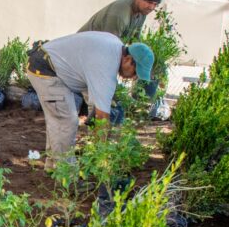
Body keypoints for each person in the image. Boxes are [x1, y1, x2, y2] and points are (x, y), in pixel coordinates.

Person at [25, 32, 154, 163]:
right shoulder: (106, 67)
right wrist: (101, 158)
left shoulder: (115, 46)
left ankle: (53, 166)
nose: (134, 78)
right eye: (135, 73)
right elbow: (102, 118)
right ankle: (66, 176)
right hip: (45, 69)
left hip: (49, 61)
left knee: (59, 120)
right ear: (127, 59)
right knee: (66, 122)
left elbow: (94, 95)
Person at [77, 0, 165, 40]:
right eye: (149, 2)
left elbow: (134, 40)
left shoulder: (142, 11)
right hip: (83, 48)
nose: (151, 7)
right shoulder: (120, 15)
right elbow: (111, 47)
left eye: (155, 4)